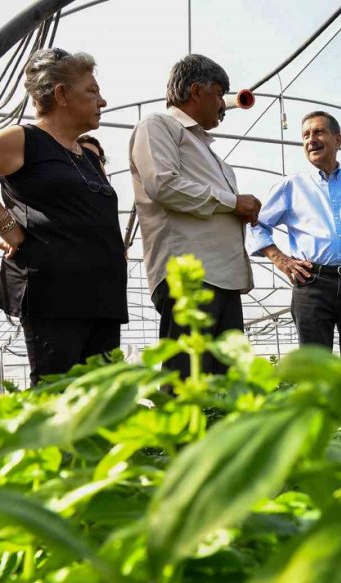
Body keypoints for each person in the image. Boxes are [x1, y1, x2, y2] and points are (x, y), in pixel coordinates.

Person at [0, 48, 127, 386]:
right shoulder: (27, 139)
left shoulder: (85, 156)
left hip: (102, 295)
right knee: (57, 399)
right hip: (56, 293)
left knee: (104, 404)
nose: (102, 101)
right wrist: (6, 224)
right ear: (61, 95)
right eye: (92, 91)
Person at [130, 54, 261, 377]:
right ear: (195, 91)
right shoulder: (158, 126)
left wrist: (236, 208)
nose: (222, 104)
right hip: (192, 275)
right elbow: (163, 183)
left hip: (222, 277)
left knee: (224, 384)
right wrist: (232, 202)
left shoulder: (204, 148)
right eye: (219, 93)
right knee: (186, 380)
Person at [248, 111, 341, 356]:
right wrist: (282, 260)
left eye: (318, 132)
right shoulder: (291, 186)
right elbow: (257, 224)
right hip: (312, 283)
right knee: (315, 366)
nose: (311, 139)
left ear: (337, 139)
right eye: (305, 135)